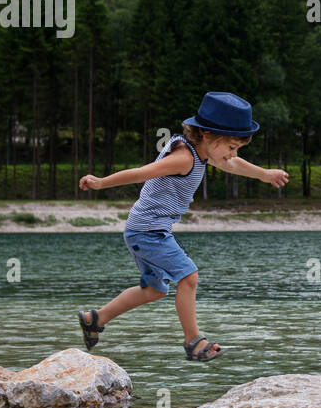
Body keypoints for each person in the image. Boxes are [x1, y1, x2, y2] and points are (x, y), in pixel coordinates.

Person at [76, 92, 288, 362]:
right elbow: (142, 172)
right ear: (209, 136)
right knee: (188, 277)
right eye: (232, 147)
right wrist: (100, 183)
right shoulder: (184, 158)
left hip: (146, 230)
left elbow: (231, 164)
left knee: (155, 290)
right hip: (147, 231)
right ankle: (193, 342)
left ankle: (95, 319)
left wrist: (264, 174)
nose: (233, 154)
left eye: (237, 149)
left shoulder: (201, 150)